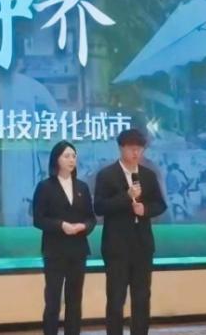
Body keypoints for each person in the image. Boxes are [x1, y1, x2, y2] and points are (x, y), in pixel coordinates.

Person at [94, 128, 167, 335]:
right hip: (116, 247)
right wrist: (126, 197)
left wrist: (146, 210)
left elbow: (160, 205)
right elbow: (99, 207)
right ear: (121, 148)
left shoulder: (148, 175)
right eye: (131, 148)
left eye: (139, 148)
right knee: (116, 298)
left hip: (142, 246)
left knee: (142, 297)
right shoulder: (106, 175)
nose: (136, 153)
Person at [32, 141, 96, 335]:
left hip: (78, 250)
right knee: (53, 300)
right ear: (56, 159)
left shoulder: (82, 187)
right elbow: (38, 219)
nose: (71, 160)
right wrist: (61, 225)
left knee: (74, 300)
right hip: (55, 251)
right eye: (66, 156)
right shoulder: (45, 187)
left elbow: (91, 218)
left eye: (74, 156)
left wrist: (84, 226)